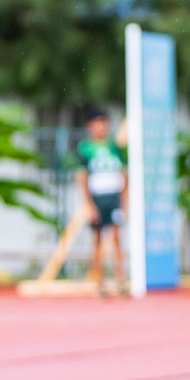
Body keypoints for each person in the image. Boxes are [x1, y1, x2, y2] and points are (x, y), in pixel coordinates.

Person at [76, 108, 128, 294]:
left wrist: (124, 202)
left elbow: (124, 174)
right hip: (97, 198)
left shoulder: (115, 147)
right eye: (96, 123)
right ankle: (100, 282)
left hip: (113, 196)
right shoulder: (85, 148)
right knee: (97, 241)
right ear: (90, 126)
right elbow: (82, 178)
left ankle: (120, 280)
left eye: (103, 122)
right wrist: (89, 204)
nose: (100, 127)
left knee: (116, 239)